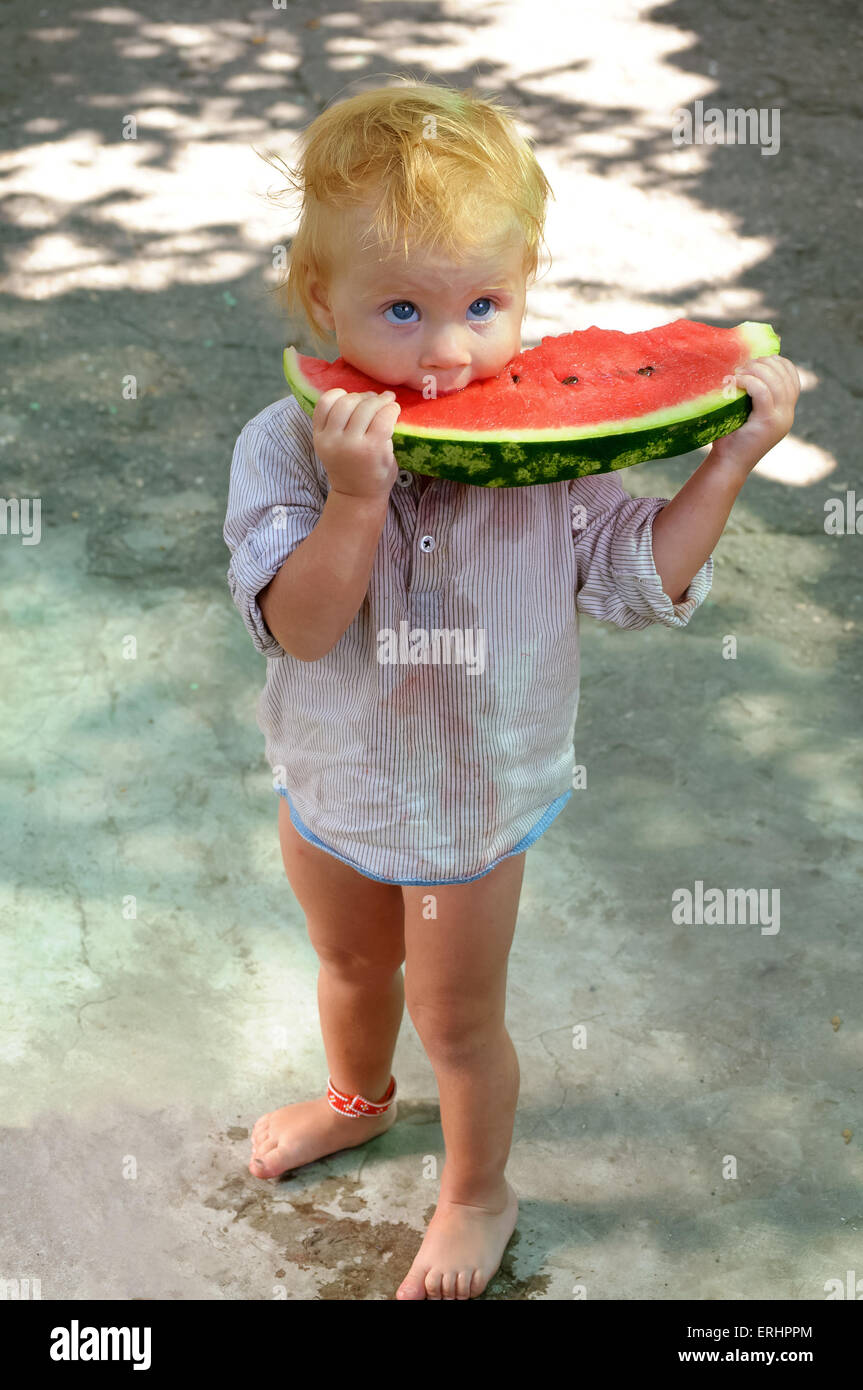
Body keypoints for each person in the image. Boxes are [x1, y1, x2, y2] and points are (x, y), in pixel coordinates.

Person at [222, 79, 800, 1301]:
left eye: (484, 305)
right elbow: (302, 628)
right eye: (401, 308)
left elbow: (635, 579)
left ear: (526, 288)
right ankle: (355, 1101)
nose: (446, 351)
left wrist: (727, 459)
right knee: (345, 963)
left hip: (474, 804)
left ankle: (478, 1189)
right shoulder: (284, 447)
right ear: (320, 302)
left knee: (456, 1018)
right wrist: (354, 500)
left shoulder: (538, 464)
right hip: (333, 776)